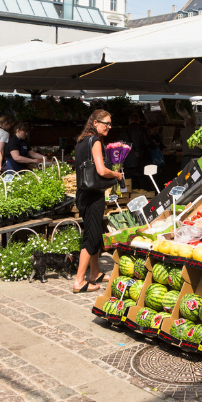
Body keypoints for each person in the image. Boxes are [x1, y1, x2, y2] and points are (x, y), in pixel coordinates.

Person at [72, 110, 123, 293]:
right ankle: (79, 282)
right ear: (95, 123)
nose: (109, 127)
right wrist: (116, 174)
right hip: (93, 195)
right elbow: (101, 171)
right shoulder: (95, 142)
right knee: (91, 237)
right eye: (106, 123)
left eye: (110, 124)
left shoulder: (81, 141)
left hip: (83, 194)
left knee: (93, 232)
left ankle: (95, 273)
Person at [119, 113, 156, 191]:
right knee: (145, 186)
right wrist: (155, 145)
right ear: (138, 120)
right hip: (141, 162)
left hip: (127, 164)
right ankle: (147, 201)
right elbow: (148, 143)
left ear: (129, 121)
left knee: (132, 187)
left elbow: (119, 147)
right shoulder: (142, 129)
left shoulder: (123, 132)